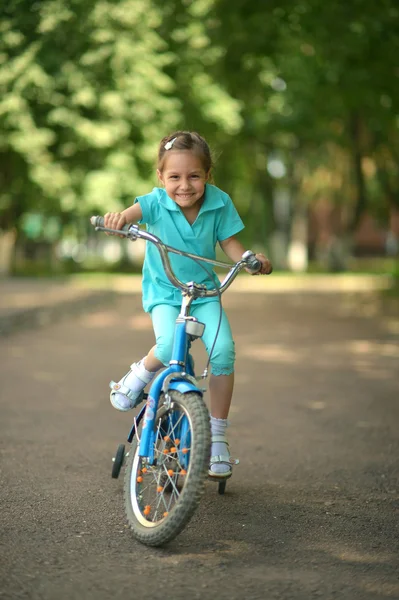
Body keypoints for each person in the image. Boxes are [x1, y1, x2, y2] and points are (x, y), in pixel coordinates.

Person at [103, 131, 272, 479]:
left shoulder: (219, 202)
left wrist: (251, 260)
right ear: (161, 177)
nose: (184, 185)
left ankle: (217, 438)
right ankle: (136, 377)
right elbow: (127, 217)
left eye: (194, 176)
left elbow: (230, 244)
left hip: (205, 293)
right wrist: (117, 222)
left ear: (208, 176)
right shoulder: (153, 202)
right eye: (175, 177)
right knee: (167, 346)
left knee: (223, 350)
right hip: (166, 292)